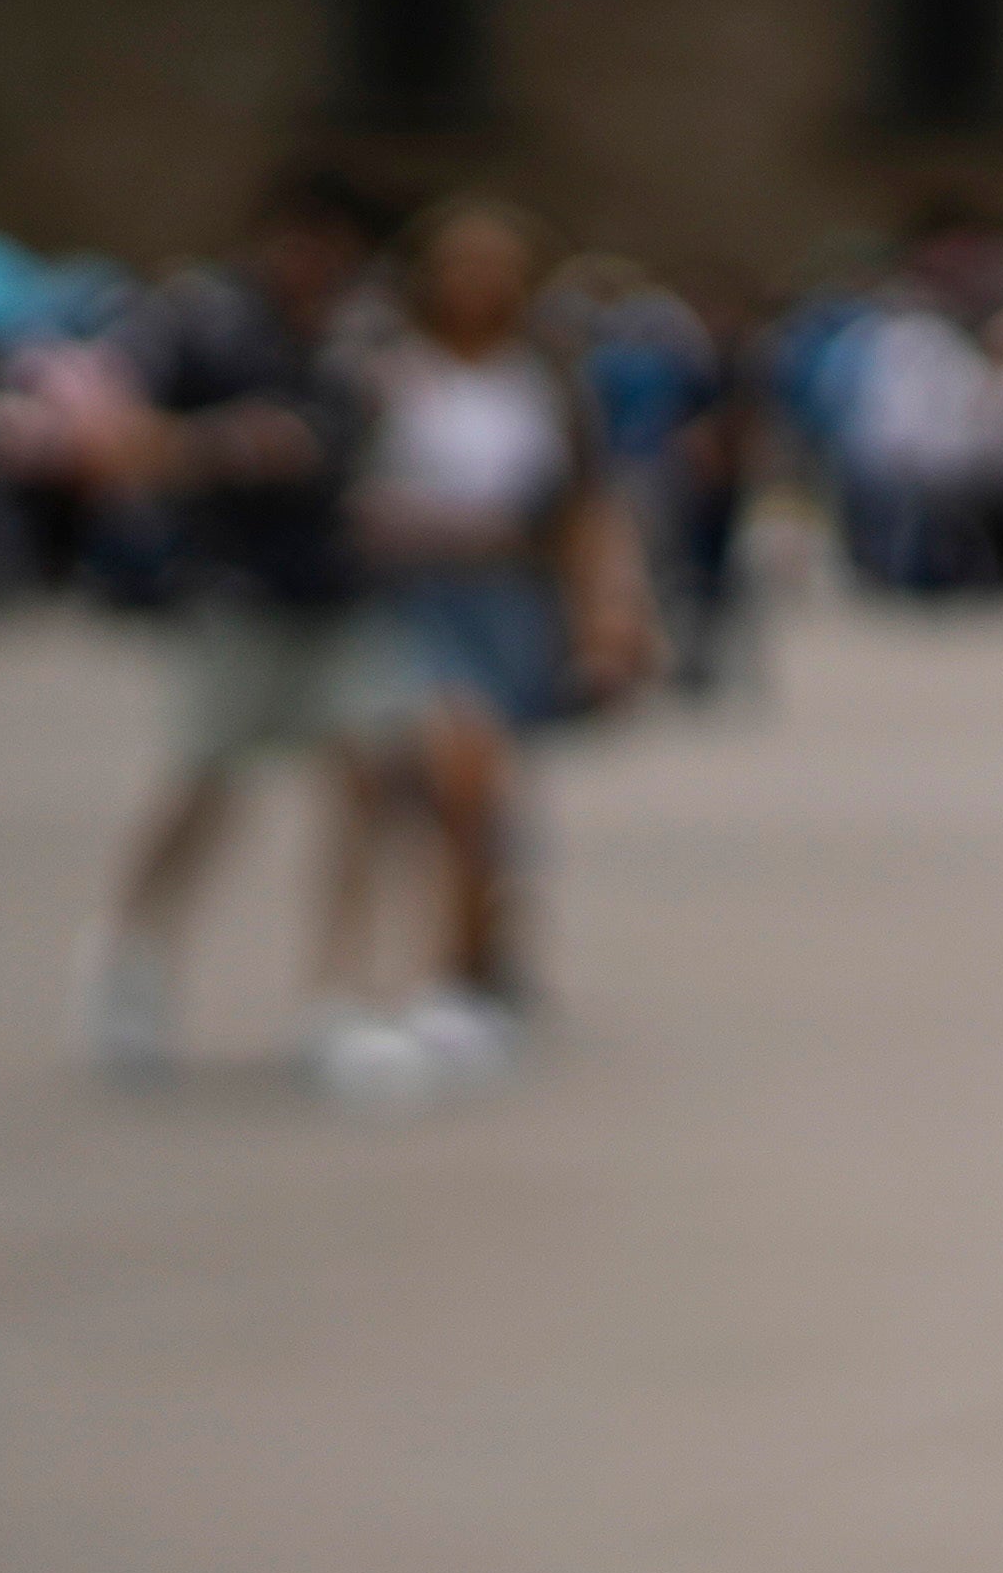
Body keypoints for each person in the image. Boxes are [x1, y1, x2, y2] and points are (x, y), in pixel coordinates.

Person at [316, 197, 649, 1103]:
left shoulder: (545, 378)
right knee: (440, 768)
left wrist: (607, 613)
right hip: (407, 600)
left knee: (485, 791)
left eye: (495, 265)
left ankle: (473, 960)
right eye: (460, 264)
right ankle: (398, 976)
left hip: (507, 597)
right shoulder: (382, 375)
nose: (477, 284)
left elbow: (587, 504)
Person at [87, 173, 392, 1082]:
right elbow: (117, 441)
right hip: (232, 589)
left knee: (362, 785)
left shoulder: (357, 337)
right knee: (205, 785)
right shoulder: (199, 327)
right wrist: (229, 444)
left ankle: (337, 997)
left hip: (336, 591)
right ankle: (128, 970)